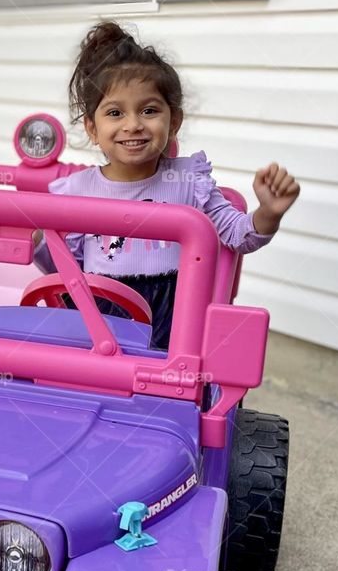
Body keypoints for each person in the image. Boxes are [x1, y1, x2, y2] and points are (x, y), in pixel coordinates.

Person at [34, 21, 301, 349]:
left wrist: (269, 212)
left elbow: (238, 236)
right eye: (115, 113)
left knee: (163, 391)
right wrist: (36, 239)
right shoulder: (78, 189)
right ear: (92, 128)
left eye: (148, 110)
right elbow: (62, 267)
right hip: (98, 315)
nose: (133, 125)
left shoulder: (188, 181)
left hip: (174, 319)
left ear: (173, 121)